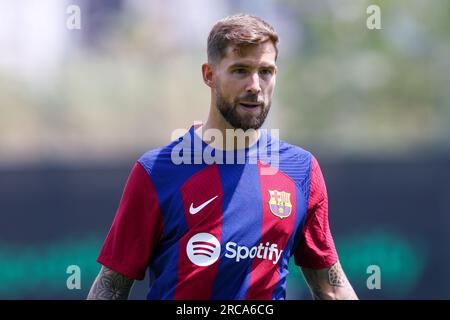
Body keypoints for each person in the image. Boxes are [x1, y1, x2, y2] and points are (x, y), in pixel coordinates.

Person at [87, 13, 358, 300]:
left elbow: (331, 288)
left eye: (266, 71)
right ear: (209, 74)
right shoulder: (157, 171)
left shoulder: (301, 170)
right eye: (240, 70)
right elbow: (111, 288)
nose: (255, 85)